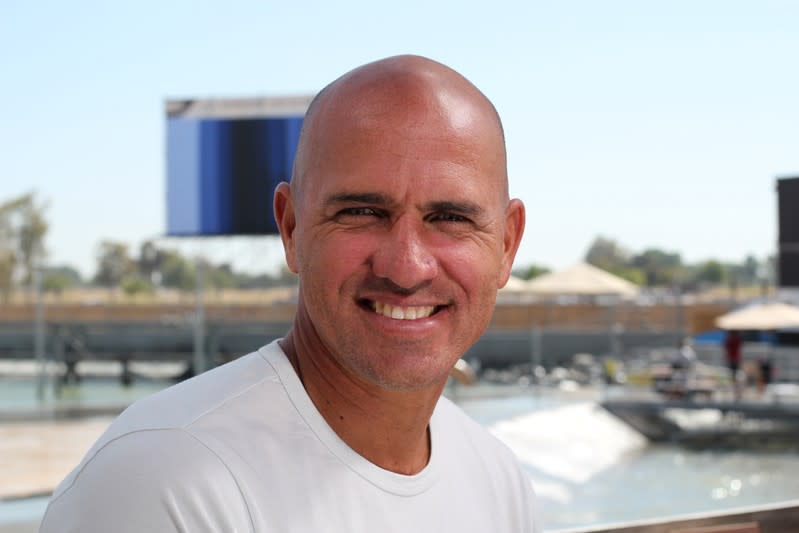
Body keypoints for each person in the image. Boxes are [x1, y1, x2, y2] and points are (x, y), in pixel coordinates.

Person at [40, 55, 538, 532]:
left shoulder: (497, 478)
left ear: (506, 245)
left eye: (450, 218)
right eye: (362, 212)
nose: (406, 268)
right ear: (292, 228)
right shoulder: (164, 478)